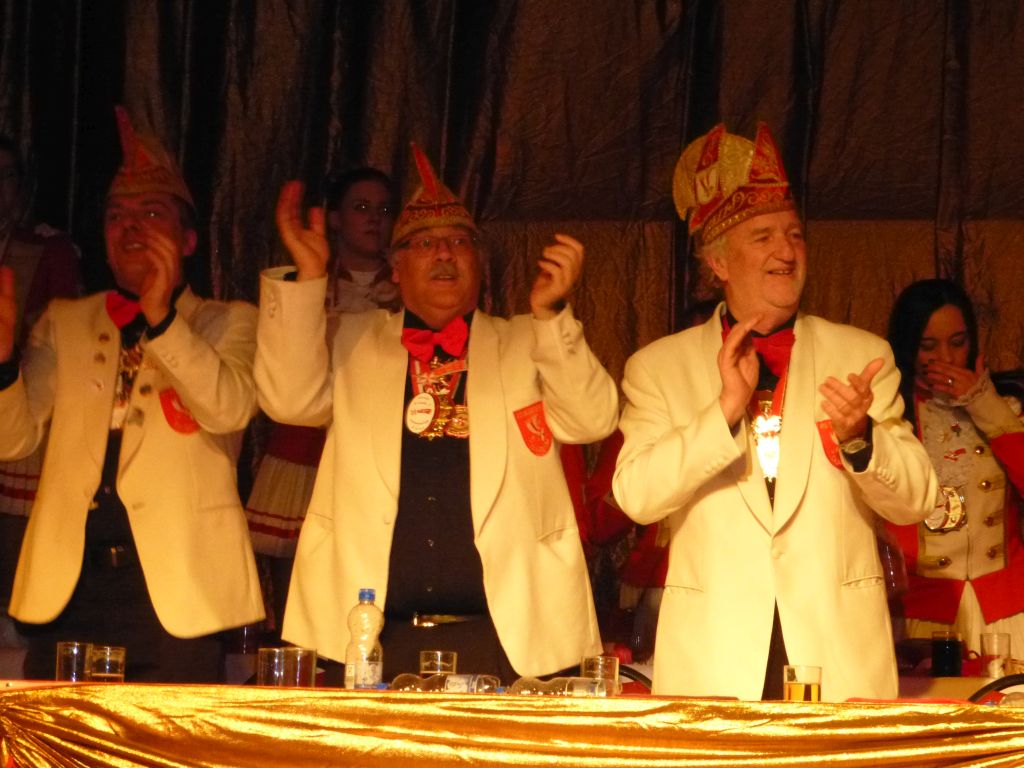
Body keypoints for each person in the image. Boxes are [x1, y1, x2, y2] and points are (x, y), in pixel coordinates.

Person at [255, 144, 618, 683]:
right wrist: (308, 279)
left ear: (480, 263)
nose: (444, 253)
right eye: (425, 243)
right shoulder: (351, 340)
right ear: (396, 267)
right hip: (372, 634)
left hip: (510, 635)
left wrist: (552, 315)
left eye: (459, 242)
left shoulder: (528, 340)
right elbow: (287, 400)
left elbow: (593, 420)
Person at [612, 123, 938, 701]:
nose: (786, 252)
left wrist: (860, 438)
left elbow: (917, 500)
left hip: (836, 656)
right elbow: (637, 496)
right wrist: (723, 412)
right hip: (715, 660)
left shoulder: (861, 356)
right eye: (763, 236)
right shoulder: (658, 368)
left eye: (794, 235)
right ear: (719, 262)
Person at [0, 107, 263, 681]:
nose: (131, 228)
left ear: (188, 239)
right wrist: (1, 365)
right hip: (69, 584)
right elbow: (12, 440)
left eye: (151, 213)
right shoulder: (67, 320)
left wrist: (163, 318)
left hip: (176, 593)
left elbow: (227, 409)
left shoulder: (228, 322)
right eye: (117, 216)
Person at [245, 167, 399, 635]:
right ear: (334, 218)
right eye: (361, 207)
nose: (374, 218)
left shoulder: (411, 288)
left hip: (377, 449)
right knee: (300, 592)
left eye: (384, 209)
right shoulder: (305, 282)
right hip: (306, 449)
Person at [885, 279, 1024, 658]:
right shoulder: (890, 414)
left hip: (1007, 607)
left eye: (958, 342)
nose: (945, 357)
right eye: (928, 346)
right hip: (922, 611)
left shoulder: (1006, 408)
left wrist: (983, 403)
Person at [0, 136, 81, 654]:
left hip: (18, 403)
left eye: (6, 176)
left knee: (13, 547)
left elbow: (65, 331)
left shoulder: (47, 249)